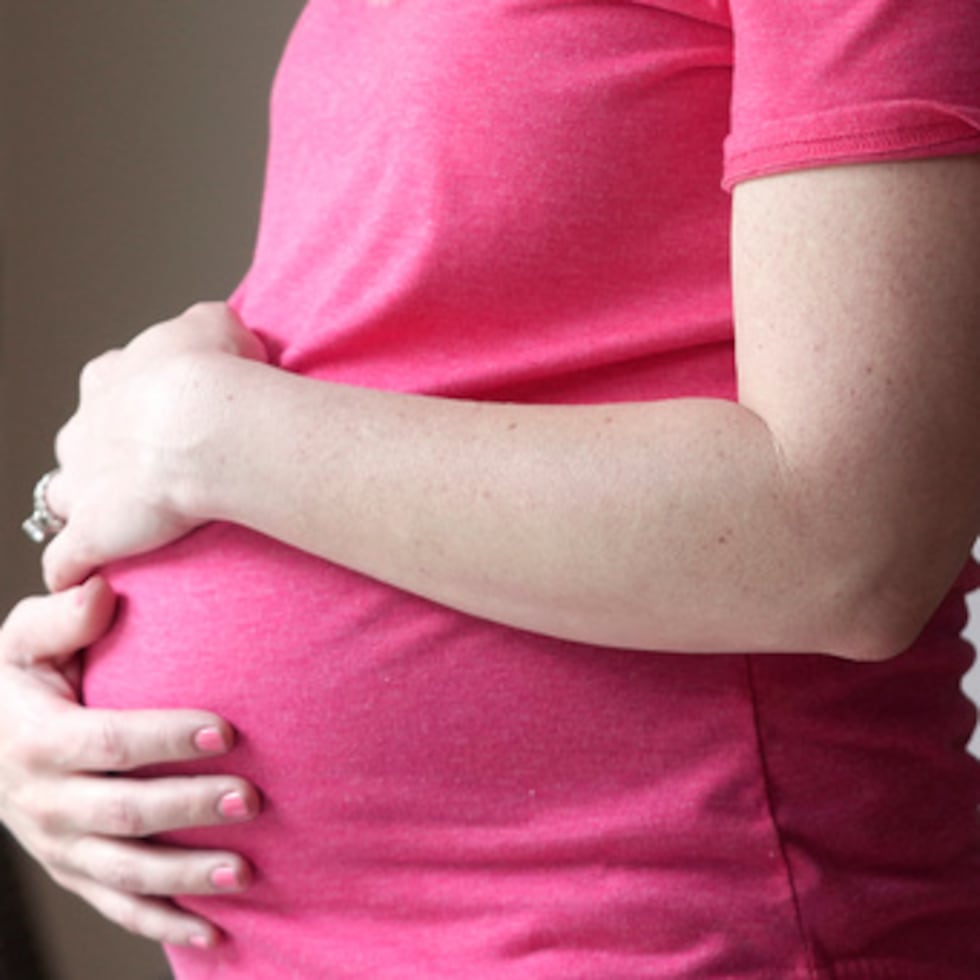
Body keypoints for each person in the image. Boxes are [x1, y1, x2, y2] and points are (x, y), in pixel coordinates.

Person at [3, 0, 980, 976]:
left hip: (666, 918)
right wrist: (72, 643)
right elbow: (402, 364)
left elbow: (847, 544)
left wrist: (204, 433)